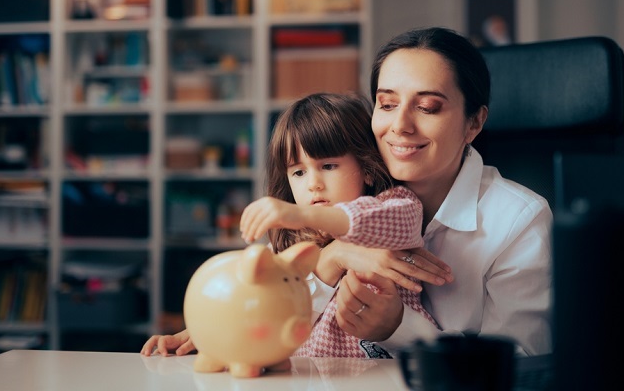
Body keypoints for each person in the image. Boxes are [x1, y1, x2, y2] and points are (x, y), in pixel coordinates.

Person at [141, 92, 451, 358]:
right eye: (298, 173)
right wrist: (207, 333)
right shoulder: (289, 244)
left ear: (367, 169)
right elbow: (260, 309)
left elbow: (377, 219)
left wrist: (301, 214)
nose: (313, 184)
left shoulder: (395, 207)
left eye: (328, 166)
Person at [310, 27, 552, 357]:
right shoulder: (347, 190)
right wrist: (333, 256)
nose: (400, 125)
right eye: (387, 104)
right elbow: (264, 319)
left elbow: (519, 364)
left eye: (426, 107)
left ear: (474, 124)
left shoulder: (519, 220)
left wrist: (398, 328)